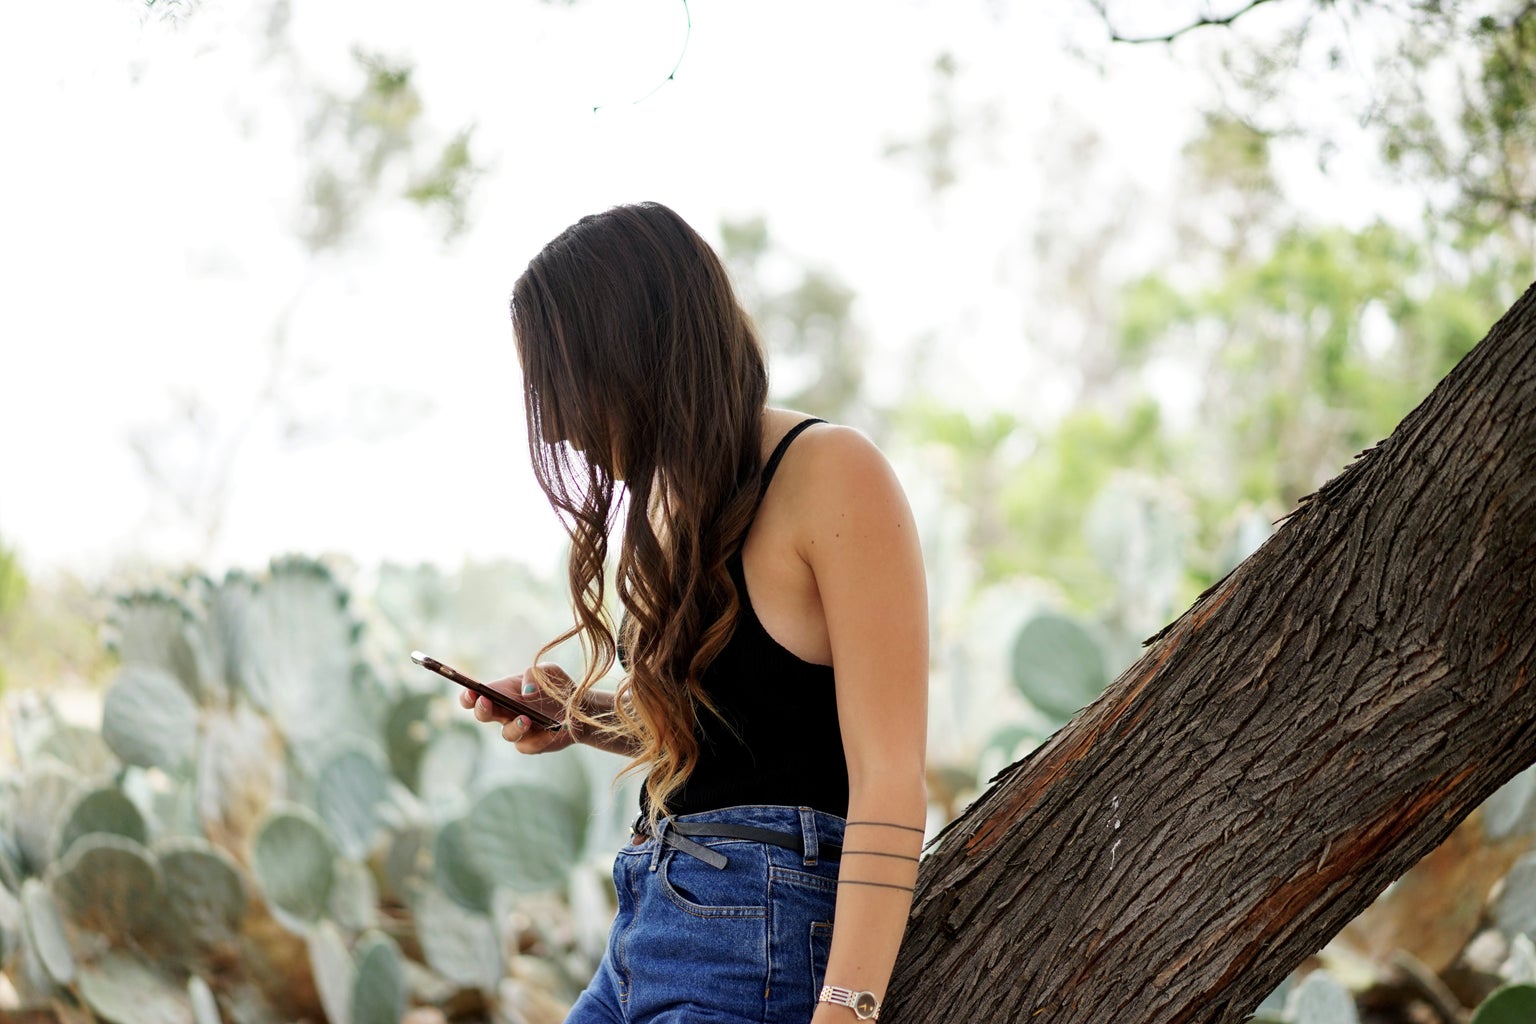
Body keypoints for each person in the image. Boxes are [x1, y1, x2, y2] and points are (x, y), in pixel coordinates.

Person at [462, 202, 928, 1024]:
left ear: (631, 356)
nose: (563, 427)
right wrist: (583, 715)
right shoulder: (677, 507)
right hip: (647, 924)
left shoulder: (832, 473)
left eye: (566, 385)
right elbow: (747, 739)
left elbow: (889, 778)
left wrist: (847, 1013)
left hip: (762, 940)